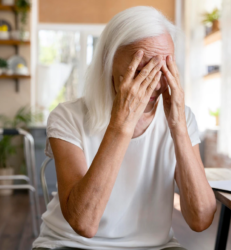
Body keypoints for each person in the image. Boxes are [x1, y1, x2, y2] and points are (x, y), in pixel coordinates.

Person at [33, 6, 216, 250]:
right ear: (108, 60)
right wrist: (122, 124)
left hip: (154, 246)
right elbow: (83, 223)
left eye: (162, 70)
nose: (154, 85)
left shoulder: (181, 119)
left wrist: (179, 130)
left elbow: (201, 219)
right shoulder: (67, 116)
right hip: (70, 244)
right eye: (142, 71)